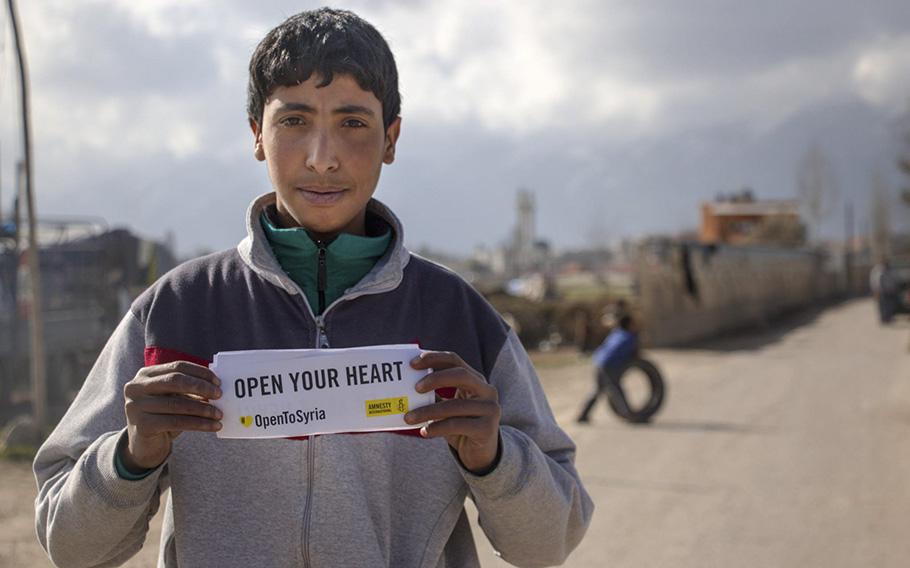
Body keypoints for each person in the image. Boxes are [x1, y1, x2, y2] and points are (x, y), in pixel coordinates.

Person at [32, 8, 592, 568]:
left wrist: (494, 459)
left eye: (353, 123)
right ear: (257, 134)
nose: (323, 158)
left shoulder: (458, 318)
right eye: (295, 121)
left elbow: (548, 544)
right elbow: (71, 546)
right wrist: (131, 456)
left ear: (391, 138)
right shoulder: (175, 311)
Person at [577, 313, 638, 423]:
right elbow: (633, 355)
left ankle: (583, 415)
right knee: (616, 389)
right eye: (633, 323)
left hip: (599, 362)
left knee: (598, 390)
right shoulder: (628, 337)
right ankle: (629, 415)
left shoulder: (616, 333)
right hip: (609, 365)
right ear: (629, 324)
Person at [870, 257, 899, 324]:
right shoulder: (879, 271)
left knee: (890, 305)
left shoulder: (890, 270)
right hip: (883, 292)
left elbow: (894, 280)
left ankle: (888, 318)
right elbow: (877, 282)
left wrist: (894, 288)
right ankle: (884, 319)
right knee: (883, 306)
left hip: (890, 291)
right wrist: (876, 291)